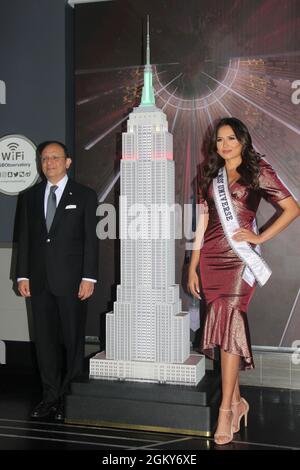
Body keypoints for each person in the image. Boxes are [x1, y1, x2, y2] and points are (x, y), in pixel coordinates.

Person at [188, 117, 300, 445]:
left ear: (243, 141)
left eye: (231, 139)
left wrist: (259, 234)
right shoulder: (209, 174)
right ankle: (237, 402)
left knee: (230, 321)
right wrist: (193, 264)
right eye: (220, 140)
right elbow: (203, 219)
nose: (224, 145)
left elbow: (292, 208)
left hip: (238, 260)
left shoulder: (258, 171)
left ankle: (225, 409)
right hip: (210, 257)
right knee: (223, 330)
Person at [16, 141, 98, 421]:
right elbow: (25, 239)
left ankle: (68, 399)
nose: (49, 162)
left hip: (72, 282)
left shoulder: (85, 195)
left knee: (73, 342)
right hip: (38, 283)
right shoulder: (29, 196)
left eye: (55, 157)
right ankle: (49, 397)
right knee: (45, 342)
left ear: (68, 162)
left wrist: (89, 277)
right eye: (44, 158)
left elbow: (90, 240)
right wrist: (23, 274)